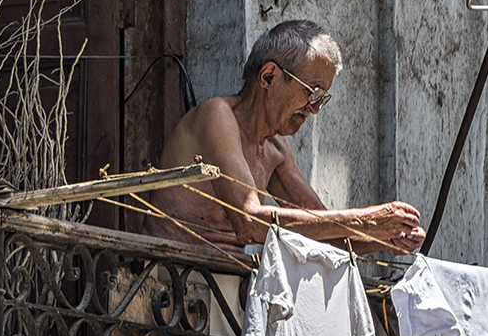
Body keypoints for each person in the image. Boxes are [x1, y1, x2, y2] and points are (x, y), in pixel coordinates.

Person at [144, 20, 425, 252]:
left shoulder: (275, 148)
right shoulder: (217, 115)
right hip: (170, 276)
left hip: (225, 284)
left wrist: (383, 238)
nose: (315, 108)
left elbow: (323, 230)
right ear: (268, 76)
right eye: (312, 92)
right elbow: (249, 222)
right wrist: (364, 221)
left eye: (322, 98)